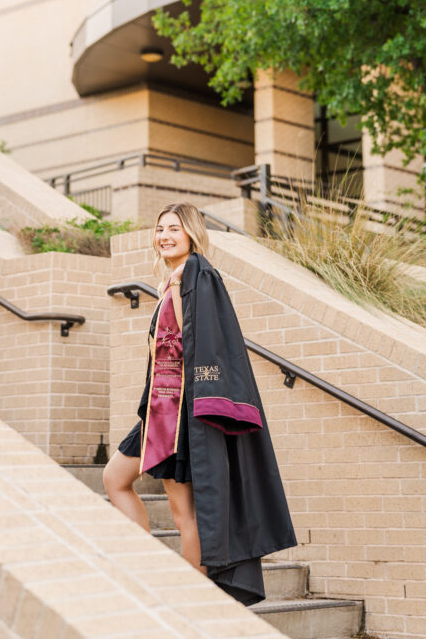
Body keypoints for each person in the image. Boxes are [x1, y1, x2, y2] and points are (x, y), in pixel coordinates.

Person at [103, 202, 296, 606]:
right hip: (160, 410)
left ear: (191, 233)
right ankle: (153, 570)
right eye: (160, 229)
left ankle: (196, 604)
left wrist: (196, 407)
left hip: (178, 416)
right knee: (115, 479)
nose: (165, 235)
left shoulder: (194, 275)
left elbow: (202, 345)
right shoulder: (177, 279)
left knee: (183, 512)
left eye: (174, 228)